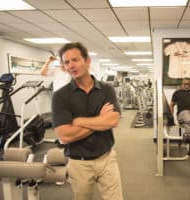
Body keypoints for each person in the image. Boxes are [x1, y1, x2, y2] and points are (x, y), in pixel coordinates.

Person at [52, 42, 123, 200]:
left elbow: (113, 121)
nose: (71, 65)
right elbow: (65, 136)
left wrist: (78, 121)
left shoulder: (106, 89)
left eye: (75, 60)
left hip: (107, 158)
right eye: (67, 62)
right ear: (63, 67)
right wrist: (100, 120)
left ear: (87, 60)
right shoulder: (60, 96)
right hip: (79, 163)